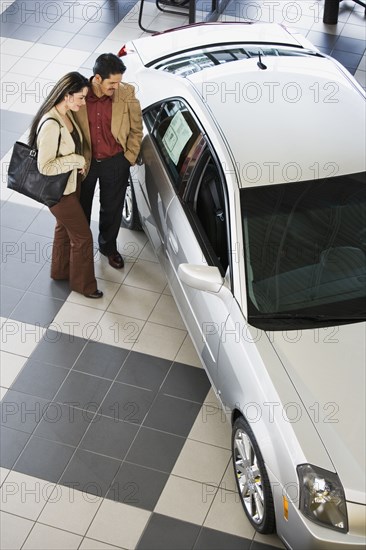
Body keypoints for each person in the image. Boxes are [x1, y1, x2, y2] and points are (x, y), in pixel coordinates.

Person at [28, 72, 103, 299]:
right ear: (67, 96)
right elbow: (45, 166)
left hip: (70, 185)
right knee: (83, 237)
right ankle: (84, 285)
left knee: (63, 228)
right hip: (59, 193)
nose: (83, 102)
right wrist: (77, 161)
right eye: (80, 98)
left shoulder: (67, 114)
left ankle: (60, 271)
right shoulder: (51, 123)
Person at [74, 53, 143, 269]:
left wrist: (128, 158)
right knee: (81, 207)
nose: (116, 87)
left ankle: (108, 248)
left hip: (115, 161)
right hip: (86, 162)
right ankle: (82, 250)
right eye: (112, 83)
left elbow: (136, 129)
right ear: (97, 79)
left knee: (112, 209)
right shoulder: (78, 94)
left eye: (119, 82)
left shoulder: (126, 93)